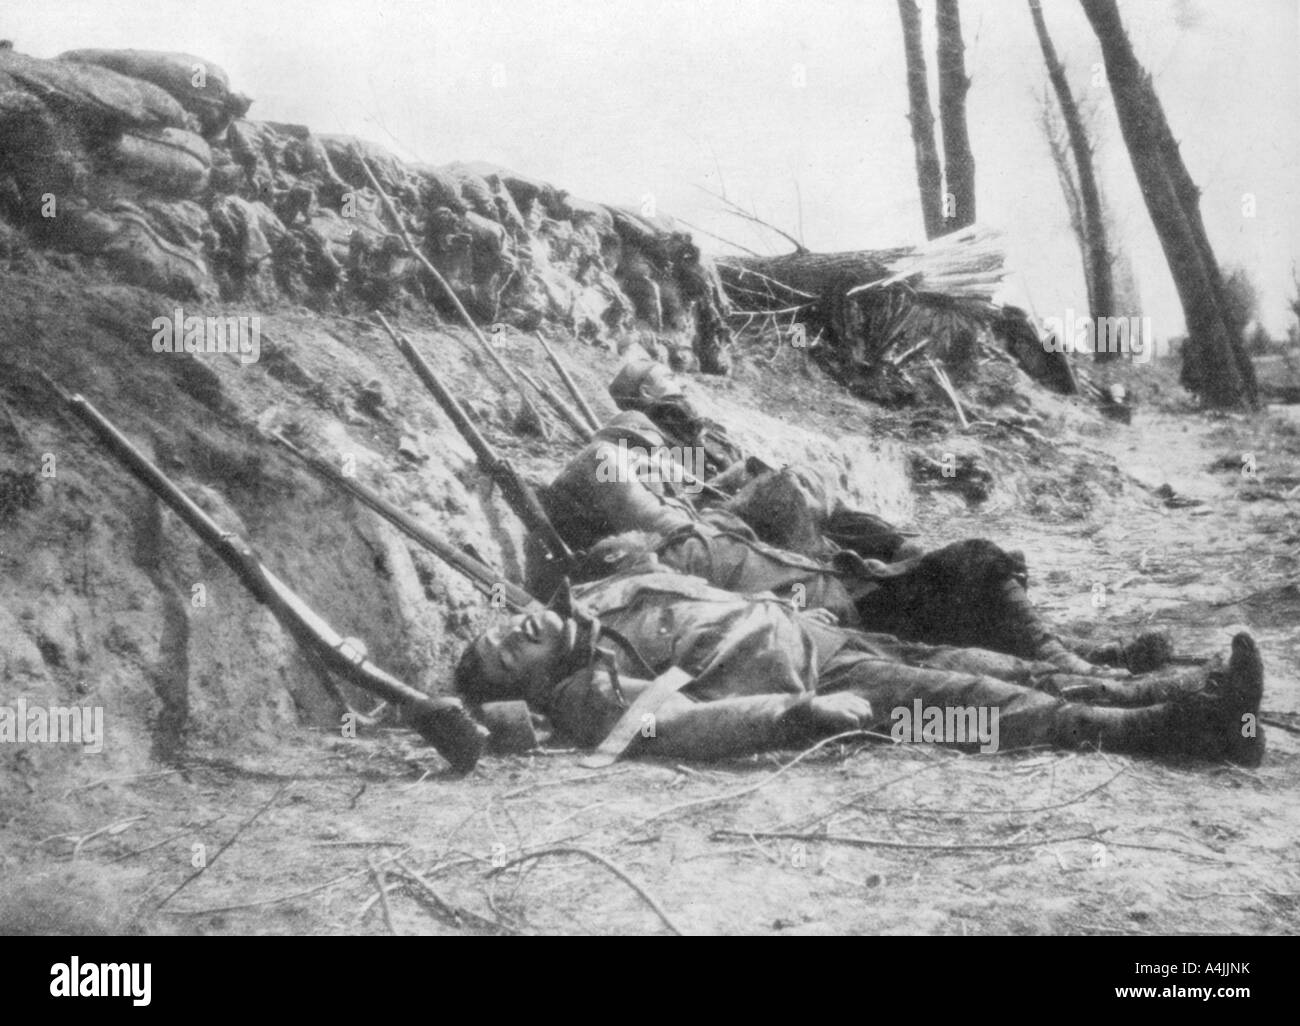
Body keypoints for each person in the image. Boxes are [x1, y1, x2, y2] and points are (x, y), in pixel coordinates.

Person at [454, 557, 1265, 767]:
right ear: (525, 684)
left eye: (501, 627)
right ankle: (1176, 731)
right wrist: (790, 716)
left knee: (1000, 665)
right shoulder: (585, 696)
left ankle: (1200, 693)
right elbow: (682, 727)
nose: (510, 630)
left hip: (822, 636)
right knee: (978, 705)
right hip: (820, 686)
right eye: (502, 655)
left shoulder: (607, 595)